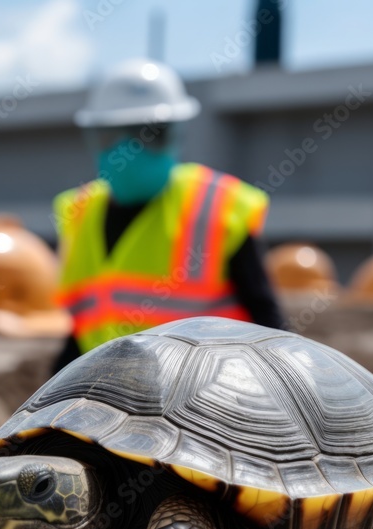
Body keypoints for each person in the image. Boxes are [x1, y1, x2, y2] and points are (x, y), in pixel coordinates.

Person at [52, 59, 284, 373]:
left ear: (175, 135)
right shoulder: (79, 212)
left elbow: (268, 320)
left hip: (210, 401)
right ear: (94, 137)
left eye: (150, 134)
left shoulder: (218, 206)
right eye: (112, 136)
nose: (131, 149)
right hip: (108, 394)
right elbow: (82, 327)